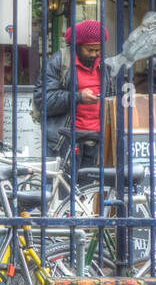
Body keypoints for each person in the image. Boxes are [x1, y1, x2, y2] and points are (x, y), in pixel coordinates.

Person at [33, 18, 106, 174]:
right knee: (64, 191)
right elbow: (43, 100)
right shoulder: (59, 62)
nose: (94, 54)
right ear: (77, 45)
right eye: (90, 50)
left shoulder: (105, 65)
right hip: (66, 141)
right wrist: (77, 97)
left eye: (98, 50)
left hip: (97, 140)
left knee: (90, 192)